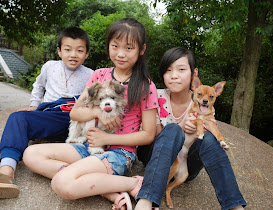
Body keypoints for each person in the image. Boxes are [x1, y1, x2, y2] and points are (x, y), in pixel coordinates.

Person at [23, 18, 158, 210]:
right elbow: (75, 113)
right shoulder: (99, 75)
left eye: (129, 48)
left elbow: (148, 134)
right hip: (87, 146)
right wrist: (97, 113)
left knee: (62, 183)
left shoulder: (146, 86)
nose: (120, 53)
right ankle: (105, 188)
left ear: (141, 49)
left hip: (119, 153)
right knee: (31, 154)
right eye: (115, 46)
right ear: (108, 46)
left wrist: (104, 137)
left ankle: (133, 183)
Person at [135, 47, 247, 210]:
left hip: (187, 164)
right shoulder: (155, 95)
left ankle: (235, 205)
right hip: (157, 157)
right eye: (168, 70)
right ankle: (146, 199)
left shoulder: (205, 101)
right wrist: (180, 127)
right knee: (173, 129)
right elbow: (152, 135)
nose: (174, 75)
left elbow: (210, 134)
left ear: (194, 74)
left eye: (181, 69)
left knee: (210, 138)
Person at [0, 26, 93, 199]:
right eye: (67, 49)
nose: (73, 54)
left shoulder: (91, 74)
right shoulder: (50, 66)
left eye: (79, 50)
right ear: (59, 51)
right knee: (17, 118)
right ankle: (6, 169)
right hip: (50, 114)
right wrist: (34, 105)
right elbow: (39, 86)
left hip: (75, 118)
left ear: (86, 54)